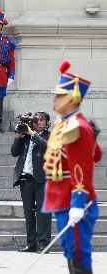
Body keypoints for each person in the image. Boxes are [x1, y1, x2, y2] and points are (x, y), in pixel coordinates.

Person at [42, 60, 102, 274]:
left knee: (78, 253)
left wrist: (78, 202)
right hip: (61, 196)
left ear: (72, 98)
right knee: (70, 250)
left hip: (73, 199)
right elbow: (96, 155)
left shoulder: (77, 127)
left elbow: (82, 168)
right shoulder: (64, 124)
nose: (54, 98)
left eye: (59, 95)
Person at [11, 112, 52, 253]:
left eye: (42, 119)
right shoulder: (26, 136)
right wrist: (17, 138)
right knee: (28, 213)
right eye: (36, 120)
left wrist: (32, 134)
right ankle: (31, 243)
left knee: (43, 214)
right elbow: (14, 153)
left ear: (47, 122)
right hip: (25, 179)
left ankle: (44, 243)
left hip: (42, 180)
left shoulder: (50, 135)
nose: (38, 122)